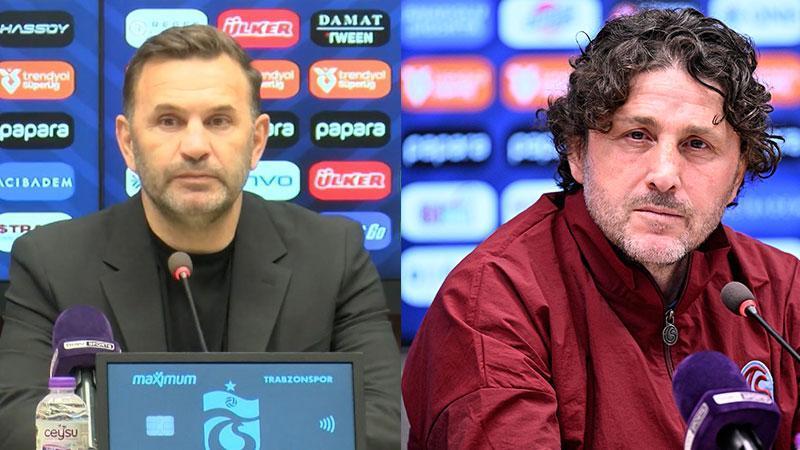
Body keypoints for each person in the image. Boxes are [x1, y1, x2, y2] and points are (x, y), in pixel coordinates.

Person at [403, 8, 798, 449]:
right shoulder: (491, 303)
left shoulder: (782, 295)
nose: (664, 175)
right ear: (578, 151)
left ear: (737, 176)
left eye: (697, 144)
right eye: (637, 135)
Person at [0, 25, 399, 449]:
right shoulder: (50, 263)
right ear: (128, 143)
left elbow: (376, 426)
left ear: (257, 141)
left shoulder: (333, 255)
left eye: (218, 121)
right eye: (168, 121)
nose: (195, 145)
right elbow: (21, 427)